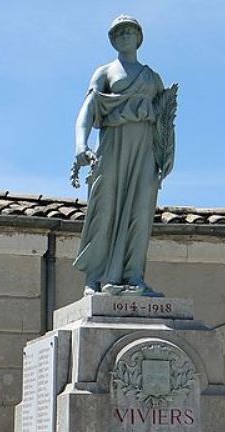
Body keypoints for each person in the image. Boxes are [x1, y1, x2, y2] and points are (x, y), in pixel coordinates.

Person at [71, 15, 177, 297]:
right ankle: (94, 279)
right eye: (119, 32)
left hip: (144, 153)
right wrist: (81, 146)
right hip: (113, 148)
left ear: (139, 37)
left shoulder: (152, 78)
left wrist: (166, 155)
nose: (125, 34)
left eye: (130, 30)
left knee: (140, 212)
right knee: (104, 210)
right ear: (113, 39)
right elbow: (87, 110)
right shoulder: (104, 73)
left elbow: (165, 119)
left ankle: (133, 276)